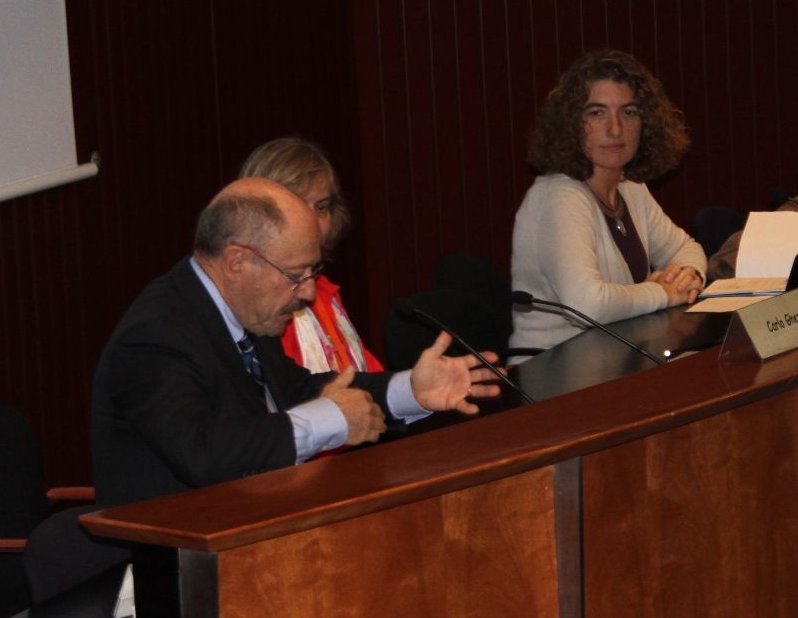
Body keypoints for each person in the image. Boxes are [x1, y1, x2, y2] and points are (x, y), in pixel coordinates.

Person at [91, 177, 500, 507]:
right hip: (171, 564)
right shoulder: (155, 336)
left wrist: (410, 390)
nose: (308, 292)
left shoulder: (247, 309)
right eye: (296, 275)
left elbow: (301, 390)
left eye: (313, 272)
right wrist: (329, 419)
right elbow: (204, 454)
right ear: (237, 262)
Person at [510, 49, 706, 353]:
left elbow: (685, 249)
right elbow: (588, 306)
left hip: (621, 357)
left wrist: (688, 275)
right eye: (596, 113)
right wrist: (663, 293)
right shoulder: (559, 198)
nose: (615, 129)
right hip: (553, 368)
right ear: (571, 123)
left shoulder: (630, 186)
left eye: (628, 113)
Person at [239, 137, 383, 374]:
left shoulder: (323, 291)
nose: (312, 222)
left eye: (321, 207)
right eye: (297, 204)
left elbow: (366, 374)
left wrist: (412, 385)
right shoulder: (257, 304)